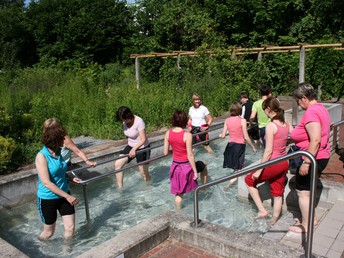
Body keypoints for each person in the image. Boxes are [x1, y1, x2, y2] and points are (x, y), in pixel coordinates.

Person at [288, 83, 331, 233]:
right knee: (307, 189)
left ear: (304, 98)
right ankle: (311, 218)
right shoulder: (321, 108)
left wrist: (306, 163)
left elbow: (316, 139)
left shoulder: (312, 112)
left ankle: (306, 225)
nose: (299, 105)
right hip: (320, 156)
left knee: (302, 191)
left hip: (312, 157)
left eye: (298, 101)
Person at [245, 97, 293, 224]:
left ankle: (262, 210)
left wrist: (258, 171)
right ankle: (274, 219)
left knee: (249, 180)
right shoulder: (286, 123)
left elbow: (268, 151)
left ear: (268, 109)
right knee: (277, 192)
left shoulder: (271, 126)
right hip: (284, 162)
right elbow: (293, 137)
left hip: (273, 163)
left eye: (264, 110)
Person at [35, 118, 80, 240]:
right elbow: (46, 182)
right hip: (48, 198)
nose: (64, 139)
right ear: (55, 139)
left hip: (64, 194)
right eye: (62, 137)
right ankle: (40, 249)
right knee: (49, 233)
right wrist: (68, 196)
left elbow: (60, 170)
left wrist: (70, 178)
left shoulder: (59, 152)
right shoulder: (42, 156)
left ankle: (67, 252)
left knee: (70, 228)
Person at [164, 110, 198, 209]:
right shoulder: (187, 135)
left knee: (179, 193)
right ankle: (181, 213)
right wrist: (195, 172)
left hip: (175, 167)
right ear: (185, 121)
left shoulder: (168, 133)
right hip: (186, 167)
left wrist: (175, 151)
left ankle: (178, 212)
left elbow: (165, 152)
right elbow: (190, 155)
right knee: (189, 190)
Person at [220, 103, 257, 185]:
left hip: (230, 145)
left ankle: (232, 181)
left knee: (235, 167)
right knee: (239, 168)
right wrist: (253, 147)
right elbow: (246, 137)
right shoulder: (242, 120)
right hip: (239, 146)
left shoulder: (227, 120)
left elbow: (223, 136)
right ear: (240, 111)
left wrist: (221, 135)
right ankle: (231, 183)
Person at [114, 106, 151, 188]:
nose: (123, 122)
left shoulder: (139, 121)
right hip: (131, 146)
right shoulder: (124, 121)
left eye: (124, 119)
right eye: (122, 120)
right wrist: (132, 148)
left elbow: (143, 139)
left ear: (129, 115)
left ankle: (149, 188)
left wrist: (134, 149)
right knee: (118, 164)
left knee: (144, 174)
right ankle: (120, 189)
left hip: (143, 147)